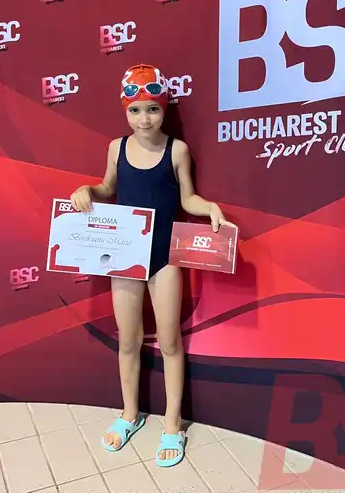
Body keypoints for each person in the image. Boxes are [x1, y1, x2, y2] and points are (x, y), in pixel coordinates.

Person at [70, 63, 234, 468]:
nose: (144, 119)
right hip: (126, 257)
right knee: (128, 341)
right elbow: (108, 187)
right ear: (125, 111)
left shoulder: (177, 150)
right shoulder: (116, 148)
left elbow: (188, 198)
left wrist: (211, 208)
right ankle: (130, 414)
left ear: (164, 109)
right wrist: (86, 190)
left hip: (164, 259)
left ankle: (173, 424)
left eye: (152, 109)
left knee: (170, 342)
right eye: (135, 110)